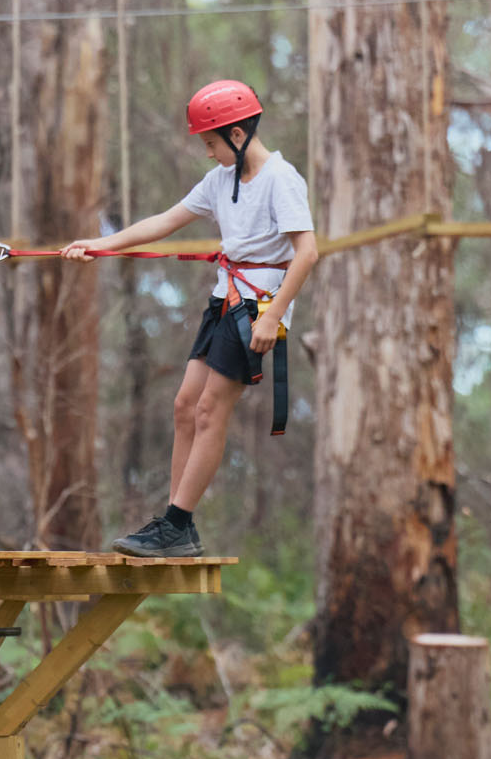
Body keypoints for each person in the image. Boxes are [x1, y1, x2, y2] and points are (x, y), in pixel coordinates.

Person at [62, 79, 319, 558]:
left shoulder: (281, 180)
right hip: (224, 300)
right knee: (185, 405)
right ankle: (174, 524)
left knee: (209, 410)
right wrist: (99, 246)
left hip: (257, 309)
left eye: (210, 143)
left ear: (238, 137)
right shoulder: (221, 181)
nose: (207, 153)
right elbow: (164, 221)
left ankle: (178, 524)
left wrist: (274, 318)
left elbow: (307, 253)